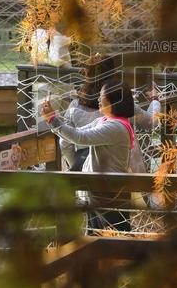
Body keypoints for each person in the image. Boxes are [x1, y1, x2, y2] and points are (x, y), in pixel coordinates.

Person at [42, 81, 135, 233]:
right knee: (95, 237)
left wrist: (53, 121)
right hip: (97, 189)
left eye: (102, 96)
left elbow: (80, 137)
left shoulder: (115, 127)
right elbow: (75, 133)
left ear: (114, 100)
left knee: (119, 238)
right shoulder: (103, 121)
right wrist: (53, 119)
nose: (98, 99)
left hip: (110, 192)